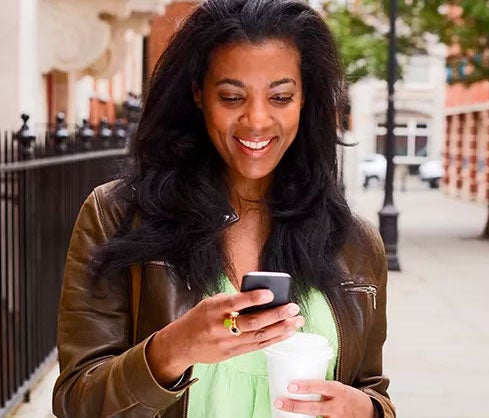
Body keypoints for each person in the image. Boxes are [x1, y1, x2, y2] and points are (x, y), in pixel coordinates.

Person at [51, 1, 393, 417]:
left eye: (281, 97)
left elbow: (372, 390)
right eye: (232, 97)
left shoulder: (355, 243)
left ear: (305, 100)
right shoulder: (115, 216)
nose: (257, 120)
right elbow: (76, 402)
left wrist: (366, 410)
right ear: (198, 95)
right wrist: (171, 350)